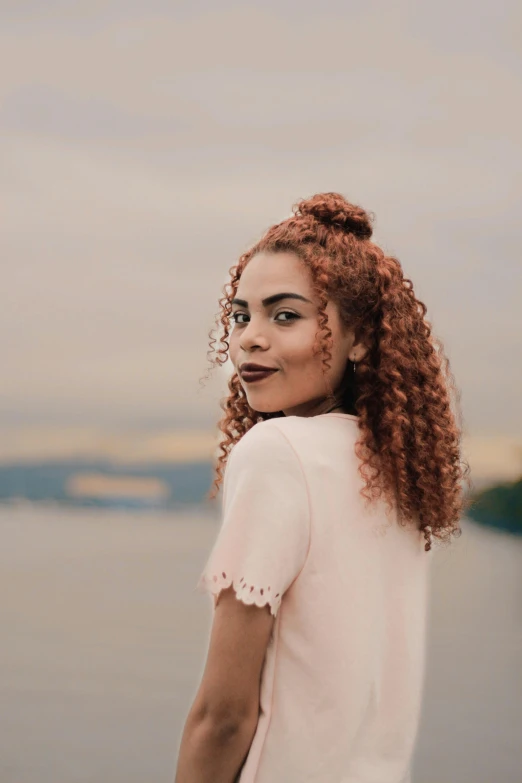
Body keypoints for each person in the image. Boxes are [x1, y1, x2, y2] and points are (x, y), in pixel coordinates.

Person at [174, 192, 471, 782]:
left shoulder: (277, 452)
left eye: (285, 315)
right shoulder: (394, 467)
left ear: (359, 338)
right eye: (241, 315)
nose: (249, 339)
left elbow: (223, 717)